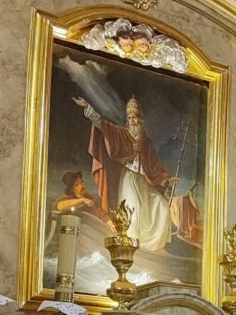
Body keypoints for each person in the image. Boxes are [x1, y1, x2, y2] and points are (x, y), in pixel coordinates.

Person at [72, 95, 181, 252]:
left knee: (163, 208)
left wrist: (168, 179)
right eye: (130, 118)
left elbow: (155, 166)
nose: (133, 121)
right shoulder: (121, 134)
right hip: (128, 181)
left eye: (135, 117)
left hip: (143, 183)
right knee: (132, 216)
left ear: (141, 120)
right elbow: (102, 125)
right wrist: (88, 108)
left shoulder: (147, 142)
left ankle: (149, 248)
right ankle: (130, 252)